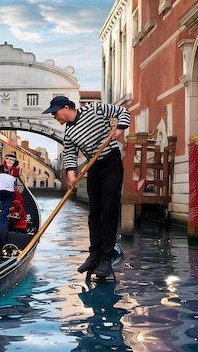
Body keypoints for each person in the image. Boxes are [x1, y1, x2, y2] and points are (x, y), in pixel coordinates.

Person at [42, 95, 130, 277]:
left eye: (55, 112)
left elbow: (123, 111)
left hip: (111, 163)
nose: (54, 117)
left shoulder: (94, 109)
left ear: (66, 108)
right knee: (94, 212)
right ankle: (94, 254)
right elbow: (69, 154)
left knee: (109, 210)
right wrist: (72, 174)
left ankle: (106, 257)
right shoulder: (68, 133)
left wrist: (120, 129)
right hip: (94, 167)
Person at [0, 152, 20, 231]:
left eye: (12, 160)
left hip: (8, 193)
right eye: (8, 159)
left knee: (3, 213)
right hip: (1, 192)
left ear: (14, 162)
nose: (9, 161)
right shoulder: (2, 167)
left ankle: (3, 230)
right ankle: (4, 227)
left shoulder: (15, 170)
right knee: (3, 212)